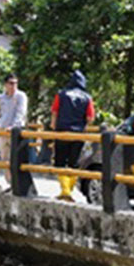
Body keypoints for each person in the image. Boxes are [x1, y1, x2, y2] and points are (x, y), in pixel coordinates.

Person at [51, 70, 95, 201]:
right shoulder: (87, 98)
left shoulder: (61, 94)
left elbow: (54, 111)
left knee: (60, 161)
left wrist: (53, 125)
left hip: (62, 131)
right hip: (78, 133)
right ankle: (68, 191)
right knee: (73, 163)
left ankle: (65, 191)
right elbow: (90, 117)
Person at [0, 74, 28, 186]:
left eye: (15, 83)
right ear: (5, 84)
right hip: (2, 131)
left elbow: (21, 113)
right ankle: (10, 183)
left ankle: (17, 184)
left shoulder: (21, 96)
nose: (13, 85)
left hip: (15, 132)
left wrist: (14, 126)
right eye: (11, 83)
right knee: (4, 159)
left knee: (15, 159)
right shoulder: (1, 98)